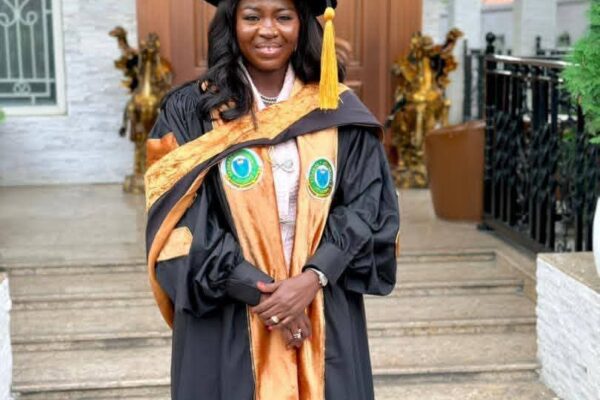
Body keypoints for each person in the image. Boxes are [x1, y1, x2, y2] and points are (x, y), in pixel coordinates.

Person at [144, 0, 400, 398]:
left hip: (321, 305)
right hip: (228, 310)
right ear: (231, 24)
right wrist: (265, 294)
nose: (268, 30)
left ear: (302, 25)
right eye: (252, 17)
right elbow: (179, 222)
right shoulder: (190, 111)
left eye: (283, 16)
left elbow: (367, 205)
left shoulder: (336, 107)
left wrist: (312, 278)